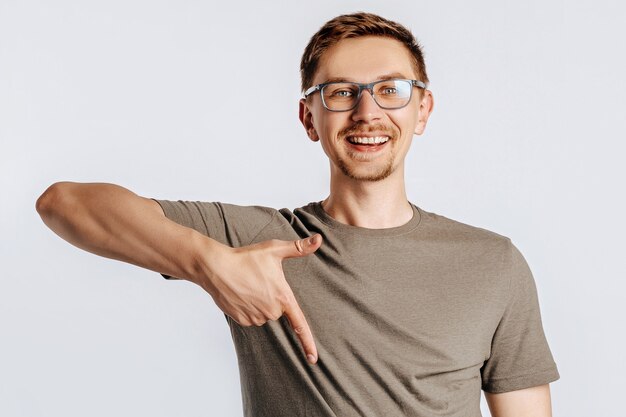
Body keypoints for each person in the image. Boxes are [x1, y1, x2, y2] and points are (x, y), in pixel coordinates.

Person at [36, 12, 559, 417]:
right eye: (340, 93)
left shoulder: (493, 262)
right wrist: (209, 263)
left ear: (422, 110)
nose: (367, 111)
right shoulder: (258, 242)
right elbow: (64, 204)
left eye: (390, 90)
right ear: (309, 118)